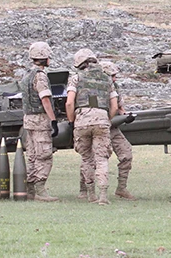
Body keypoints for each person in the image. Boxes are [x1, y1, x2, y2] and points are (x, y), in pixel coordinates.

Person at [66, 48, 113, 205]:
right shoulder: (107, 79)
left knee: (87, 158)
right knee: (101, 159)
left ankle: (91, 194)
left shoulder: (76, 78)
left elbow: (69, 103)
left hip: (82, 120)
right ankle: (103, 195)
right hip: (102, 119)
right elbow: (114, 105)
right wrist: (106, 118)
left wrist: (72, 121)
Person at [21, 41, 60, 202]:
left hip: (28, 120)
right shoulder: (40, 76)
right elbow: (45, 99)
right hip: (40, 121)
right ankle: (40, 190)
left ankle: (30, 190)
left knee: (32, 156)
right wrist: (53, 120)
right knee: (44, 155)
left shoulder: (26, 75)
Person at [101, 61, 137, 201]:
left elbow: (120, 108)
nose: (115, 79)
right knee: (93, 159)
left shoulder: (114, 87)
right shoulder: (93, 88)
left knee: (126, 154)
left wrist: (126, 117)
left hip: (112, 127)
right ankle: (85, 190)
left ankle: (121, 188)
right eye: (112, 76)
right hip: (99, 127)